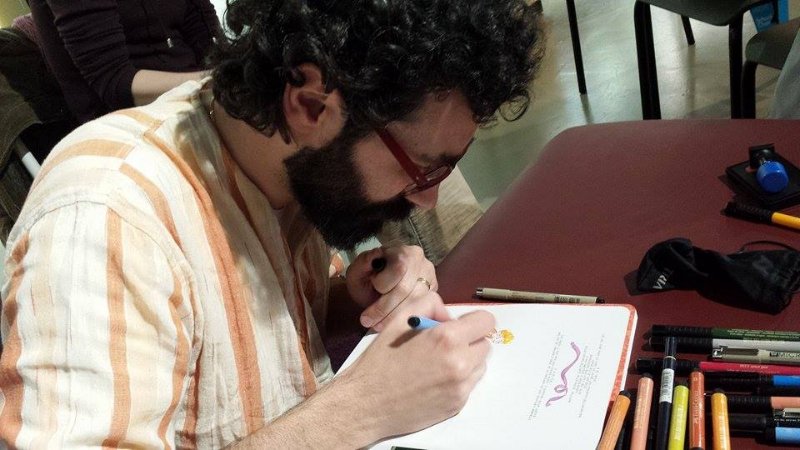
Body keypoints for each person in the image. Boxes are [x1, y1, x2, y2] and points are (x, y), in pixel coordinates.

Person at [0, 0, 543, 447]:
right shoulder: (105, 221)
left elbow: (232, 347)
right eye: (424, 168)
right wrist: (364, 407)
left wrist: (346, 301)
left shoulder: (281, 163)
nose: (428, 200)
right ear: (310, 104)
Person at [28, 0, 222, 123]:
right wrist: (219, 80)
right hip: (127, 122)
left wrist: (227, 74)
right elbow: (115, 83)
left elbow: (206, 35)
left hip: (193, 99)